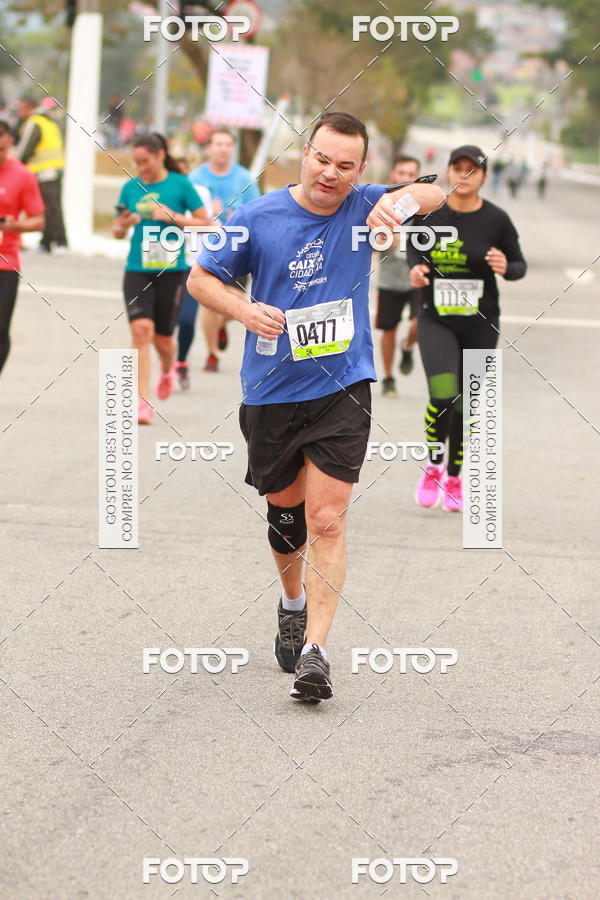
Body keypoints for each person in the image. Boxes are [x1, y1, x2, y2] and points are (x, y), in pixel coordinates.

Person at [187, 111, 445, 702]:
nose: (331, 173)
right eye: (322, 159)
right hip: (273, 389)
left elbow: (436, 191)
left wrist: (400, 204)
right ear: (305, 154)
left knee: (327, 518)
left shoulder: (364, 205)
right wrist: (244, 310)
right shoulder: (257, 216)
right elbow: (202, 279)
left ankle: (316, 654)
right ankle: (292, 603)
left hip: (343, 386)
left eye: (346, 166)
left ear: (361, 169)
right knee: (286, 517)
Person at [407, 145, 527, 511]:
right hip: (436, 319)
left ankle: (455, 475)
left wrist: (506, 266)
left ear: (484, 177)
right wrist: (415, 269)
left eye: (472, 170)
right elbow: (413, 249)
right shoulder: (430, 215)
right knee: (444, 394)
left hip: (480, 323)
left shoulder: (497, 220)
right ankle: (433, 465)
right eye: (457, 168)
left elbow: (519, 265)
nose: (464, 175)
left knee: (466, 405)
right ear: (447, 172)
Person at [112, 133, 209, 424]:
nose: (140, 167)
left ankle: (167, 369)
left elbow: (206, 224)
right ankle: (141, 401)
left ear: (159, 155)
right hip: (137, 269)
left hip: (171, 271)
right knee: (141, 330)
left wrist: (173, 217)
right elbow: (117, 230)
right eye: (136, 162)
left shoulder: (180, 185)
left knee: (163, 340)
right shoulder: (130, 188)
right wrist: (123, 224)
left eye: (145, 161)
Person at [188, 127, 260, 372]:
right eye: (218, 144)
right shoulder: (196, 178)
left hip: (239, 248)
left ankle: (221, 323)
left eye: (228, 144)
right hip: (208, 247)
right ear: (208, 148)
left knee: (236, 300)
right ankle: (211, 354)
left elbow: (257, 213)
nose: (223, 149)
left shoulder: (244, 178)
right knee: (210, 301)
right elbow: (186, 213)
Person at [0, 119, 45, 374]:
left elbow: (39, 221)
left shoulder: (23, 176)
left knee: (0, 327)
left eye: (1, 151)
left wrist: (13, 225)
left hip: (5, 262)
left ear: (10, 144)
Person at [375, 154, 421, 397]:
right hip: (390, 278)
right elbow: (369, 243)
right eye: (401, 173)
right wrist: (384, 241)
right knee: (389, 329)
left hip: (417, 278)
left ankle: (408, 346)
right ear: (393, 174)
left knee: (418, 323)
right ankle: (389, 378)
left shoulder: (427, 206)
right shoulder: (382, 204)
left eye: (410, 174)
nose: (405, 178)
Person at [172, 155, 215, 391]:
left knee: (186, 320)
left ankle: (181, 361)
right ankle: (170, 362)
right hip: (164, 265)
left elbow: (207, 224)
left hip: (191, 263)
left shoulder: (199, 193)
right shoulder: (159, 193)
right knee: (165, 321)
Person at [14, 97, 67, 254]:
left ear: (30, 108)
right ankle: (47, 241)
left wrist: (15, 166)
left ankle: (60, 241)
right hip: (54, 169)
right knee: (50, 207)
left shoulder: (34, 121)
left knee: (51, 208)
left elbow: (25, 148)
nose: (20, 112)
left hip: (43, 170)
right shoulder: (50, 121)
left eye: (22, 108)